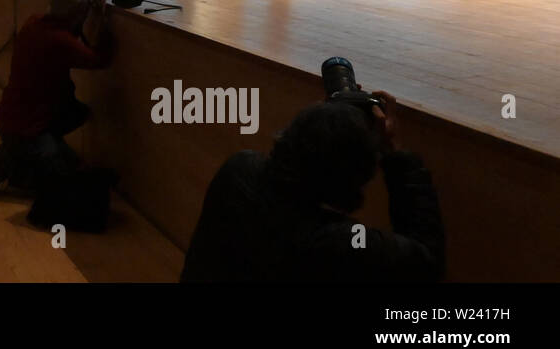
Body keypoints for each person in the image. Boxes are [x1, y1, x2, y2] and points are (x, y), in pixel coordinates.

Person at [181, 94, 445, 282]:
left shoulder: (237, 169)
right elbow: (427, 262)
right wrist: (395, 155)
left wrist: (326, 120)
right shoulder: (339, 241)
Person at [0, 0, 113, 195]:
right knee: (62, 182)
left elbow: (65, 35)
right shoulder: (60, 41)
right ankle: (12, 160)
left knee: (76, 113)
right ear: (77, 11)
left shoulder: (33, 22)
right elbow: (99, 60)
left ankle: (17, 151)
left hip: (8, 117)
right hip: (28, 128)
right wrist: (102, 17)